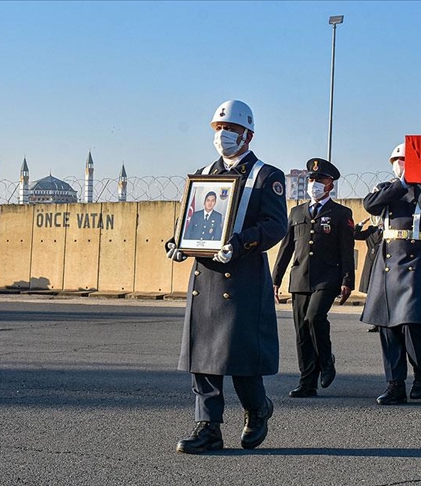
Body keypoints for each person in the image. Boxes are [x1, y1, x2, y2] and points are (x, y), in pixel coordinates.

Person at [165, 100, 287, 454]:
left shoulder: (266, 175)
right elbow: (188, 221)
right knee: (203, 354)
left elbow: (275, 225)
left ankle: (257, 408)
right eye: (218, 129)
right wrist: (177, 242)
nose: (223, 136)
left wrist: (241, 242)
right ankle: (208, 427)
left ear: (248, 134)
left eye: (230, 129)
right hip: (207, 275)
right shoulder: (203, 173)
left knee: (241, 354)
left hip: (243, 273)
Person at [360, 142, 421, 405]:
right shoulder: (387, 189)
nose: (401, 165)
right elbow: (371, 205)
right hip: (388, 261)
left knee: (411, 322)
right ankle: (394, 383)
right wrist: (402, 184)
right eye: (398, 160)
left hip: (417, 259)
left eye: (407, 160)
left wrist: (419, 187)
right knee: (387, 325)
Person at [273, 158, 355, 398]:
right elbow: (286, 248)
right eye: (311, 179)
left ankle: (326, 361)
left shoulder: (341, 213)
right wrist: (275, 279)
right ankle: (307, 381)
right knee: (301, 330)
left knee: (314, 317)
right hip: (300, 276)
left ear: (330, 184)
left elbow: (346, 249)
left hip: (327, 277)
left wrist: (347, 279)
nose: (314, 183)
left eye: (320, 180)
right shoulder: (296, 212)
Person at [353, 215, 383, 332]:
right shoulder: (372, 230)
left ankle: (382, 323)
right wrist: (361, 223)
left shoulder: (390, 230)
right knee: (372, 295)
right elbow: (355, 235)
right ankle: (375, 322)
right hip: (370, 264)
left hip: (382, 265)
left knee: (381, 295)